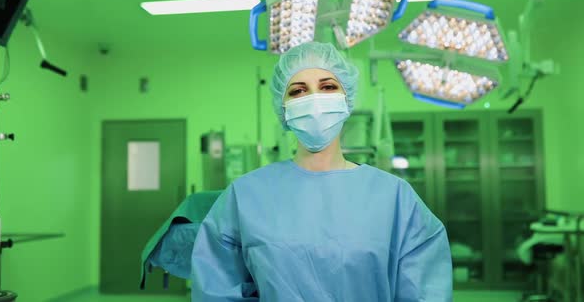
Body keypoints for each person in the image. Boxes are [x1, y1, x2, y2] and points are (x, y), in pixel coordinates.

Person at [191, 42, 452, 301]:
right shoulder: (246, 195)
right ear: (283, 107)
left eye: (328, 87)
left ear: (346, 99)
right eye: (298, 91)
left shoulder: (394, 197)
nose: (314, 100)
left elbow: (425, 290)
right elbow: (216, 287)